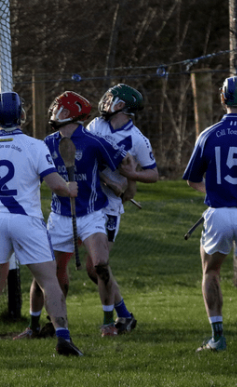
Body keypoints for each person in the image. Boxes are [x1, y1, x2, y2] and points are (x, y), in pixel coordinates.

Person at [14, 91, 137, 339]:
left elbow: (125, 160)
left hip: (92, 214)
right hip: (59, 216)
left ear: (69, 112)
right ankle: (36, 326)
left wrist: (125, 187)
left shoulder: (93, 142)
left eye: (59, 109)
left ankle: (107, 323)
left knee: (101, 264)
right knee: (45, 273)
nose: (53, 112)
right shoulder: (46, 143)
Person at [0, 91, 83, 356]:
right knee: (48, 281)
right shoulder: (35, 146)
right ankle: (63, 339)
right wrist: (70, 189)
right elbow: (56, 186)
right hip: (27, 221)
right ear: (22, 116)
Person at [84, 83, 158, 335]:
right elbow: (86, 157)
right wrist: (108, 180)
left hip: (109, 208)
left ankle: (120, 316)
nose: (105, 101)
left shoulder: (138, 139)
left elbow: (154, 174)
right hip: (87, 202)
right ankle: (124, 314)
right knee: (91, 269)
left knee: (98, 266)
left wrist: (132, 175)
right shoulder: (96, 126)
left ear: (121, 106)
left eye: (111, 99)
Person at [182, 76, 237, 352]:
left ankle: (218, 337)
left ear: (223, 99)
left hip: (218, 213)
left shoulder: (208, 134)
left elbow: (193, 179)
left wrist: (215, 190)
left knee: (211, 271)